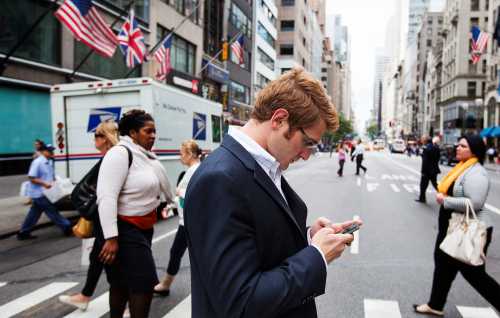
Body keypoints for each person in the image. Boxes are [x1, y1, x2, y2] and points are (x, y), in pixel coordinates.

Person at [184, 68, 361, 318]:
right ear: (278, 120)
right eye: (308, 142)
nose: (307, 154)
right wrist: (316, 256)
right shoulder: (220, 179)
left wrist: (310, 238)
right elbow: (241, 302)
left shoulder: (264, 166)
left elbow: (263, 244)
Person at [96, 110, 174, 318]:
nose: (153, 135)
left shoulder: (145, 156)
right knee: (144, 284)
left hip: (143, 229)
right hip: (124, 229)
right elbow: (106, 197)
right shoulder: (120, 154)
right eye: (148, 131)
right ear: (132, 133)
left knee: (121, 284)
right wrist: (111, 238)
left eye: (155, 131)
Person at [414, 134, 500, 316]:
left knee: (475, 275)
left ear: (474, 150)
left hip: (469, 228)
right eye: (458, 145)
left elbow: (475, 203)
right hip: (452, 226)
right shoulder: (462, 167)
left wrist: (446, 201)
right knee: (443, 266)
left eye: (462, 146)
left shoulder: (477, 173)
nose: (457, 148)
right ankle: (435, 305)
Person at [59, 121, 120, 311]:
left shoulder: (111, 158)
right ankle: (85, 296)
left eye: (97, 136)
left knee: (110, 261)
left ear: (105, 138)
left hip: (107, 218)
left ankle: (125, 303)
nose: (94, 139)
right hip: (103, 218)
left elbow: (108, 193)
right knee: (98, 257)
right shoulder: (110, 157)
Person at [154, 140, 202, 296]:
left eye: (181, 154)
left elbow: (192, 194)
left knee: (178, 252)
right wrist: (171, 206)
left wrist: (178, 195)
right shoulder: (192, 169)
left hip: (190, 222)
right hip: (188, 221)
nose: (179, 157)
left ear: (190, 154)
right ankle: (166, 284)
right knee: (177, 252)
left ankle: (166, 285)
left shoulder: (195, 170)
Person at [17, 143, 72, 240]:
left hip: (46, 192)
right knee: (52, 211)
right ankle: (66, 227)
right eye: (49, 151)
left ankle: (23, 232)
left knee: (34, 213)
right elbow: (31, 177)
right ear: (43, 151)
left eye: (52, 150)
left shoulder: (48, 162)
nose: (51, 152)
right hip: (39, 193)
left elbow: (50, 176)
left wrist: (55, 182)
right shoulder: (38, 162)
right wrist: (44, 184)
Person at [415, 136, 441, 203]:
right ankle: (445, 194)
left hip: (427, 171)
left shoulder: (426, 148)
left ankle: (422, 198)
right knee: (435, 184)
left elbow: (425, 161)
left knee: (423, 185)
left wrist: (423, 171)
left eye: (422, 139)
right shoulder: (435, 147)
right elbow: (438, 158)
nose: (421, 140)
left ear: (425, 140)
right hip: (434, 169)